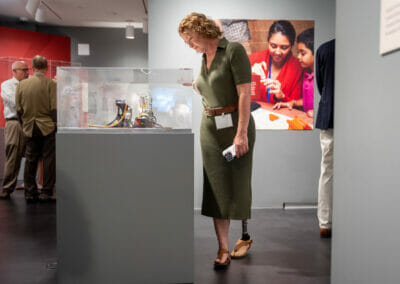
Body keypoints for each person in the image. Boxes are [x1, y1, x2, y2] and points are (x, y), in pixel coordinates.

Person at [179, 13, 256, 269]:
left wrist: (242, 132)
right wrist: (190, 84)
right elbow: (207, 86)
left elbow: (245, 93)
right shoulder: (203, 59)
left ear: (202, 30)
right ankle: (223, 247)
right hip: (210, 128)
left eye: (190, 38)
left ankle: (244, 237)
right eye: (186, 41)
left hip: (235, 125)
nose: (189, 44)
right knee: (215, 188)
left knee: (237, 184)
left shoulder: (232, 51)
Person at [15, 55, 57, 203]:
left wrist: (24, 123)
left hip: (29, 126)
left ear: (32, 68)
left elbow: (18, 110)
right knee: (49, 160)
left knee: (30, 160)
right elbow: (54, 108)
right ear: (46, 68)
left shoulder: (21, 85)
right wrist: (54, 125)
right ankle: (46, 191)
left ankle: (30, 192)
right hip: (46, 127)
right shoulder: (51, 84)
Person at [249, 20, 302, 105]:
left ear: (291, 46)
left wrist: (281, 96)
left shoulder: (298, 68)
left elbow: (297, 107)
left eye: (284, 47)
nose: (277, 52)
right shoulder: (254, 59)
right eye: (273, 46)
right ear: (268, 42)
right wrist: (249, 76)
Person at [0, 61, 29, 200]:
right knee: (13, 154)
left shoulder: (29, 84)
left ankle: (30, 187)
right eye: (24, 70)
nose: (27, 73)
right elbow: (14, 102)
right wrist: (30, 104)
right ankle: (7, 188)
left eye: (27, 70)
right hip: (15, 123)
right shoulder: (6, 85)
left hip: (30, 123)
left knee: (32, 156)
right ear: (14, 71)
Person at [315, 39, 335, 238]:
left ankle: (325, 222)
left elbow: (321, 86)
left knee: (327, 169)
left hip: (329, 114)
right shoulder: (358, 46)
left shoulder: (324, 49)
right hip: (353, 116)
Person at [273, 28, 314, 118]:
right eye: (298, 52)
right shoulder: (307, 74)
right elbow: (307, 100)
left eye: (303, 53)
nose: (298, 57)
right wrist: (293, 102)